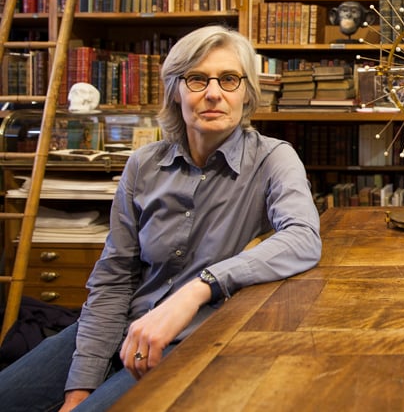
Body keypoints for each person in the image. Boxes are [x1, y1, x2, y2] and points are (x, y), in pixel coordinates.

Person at [0, 25, 322, 411]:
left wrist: (199, 288)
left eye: (230, 79)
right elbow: (115, 276)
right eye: (197, 79)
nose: (214, 93)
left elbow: (303, 236)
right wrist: (80, 382)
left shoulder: (273, 158)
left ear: (247, 93)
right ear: (176, 90)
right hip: (119, 325)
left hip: (193, 339)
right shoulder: (144, 163)